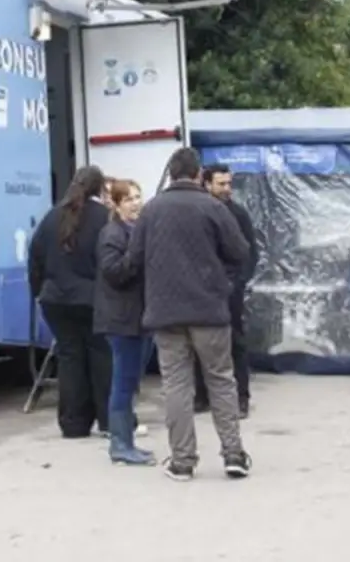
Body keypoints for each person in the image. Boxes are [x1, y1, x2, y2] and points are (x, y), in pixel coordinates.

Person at [127, 147, 252, 481]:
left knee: (177, 386)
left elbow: (133, 259)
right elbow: (240, 251)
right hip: (209, 310)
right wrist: (221, 280)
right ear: (198, 175)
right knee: (222, 380)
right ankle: (233, 455)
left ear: (170, 174)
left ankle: (182, 461)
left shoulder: (151, 210)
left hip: (166, 313)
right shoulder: (213, 207)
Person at [27, 165, 112, 438]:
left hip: (54, 300)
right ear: (100, 189)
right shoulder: (103, 217)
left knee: (69, 358)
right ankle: (110, 420)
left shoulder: (51, 216)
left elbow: (34, 256)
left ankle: (73, 423)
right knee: (101, 357)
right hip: (90, 298)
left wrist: (38, 291)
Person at [93, 179, 156, 465]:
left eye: (138, 197)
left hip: (139, 319)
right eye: (129, 199)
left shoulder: (134, 231)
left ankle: (127, 440)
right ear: (116, 204)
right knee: (123, 383)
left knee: (131, 383)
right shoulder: (112, 234)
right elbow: (114, 272)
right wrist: (136, 255)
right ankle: (119, 443)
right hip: (121, 321)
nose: (135, 203)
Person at [193, 164, 259, 418]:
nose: (226, 189)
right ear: (207, 184)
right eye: (221, 184)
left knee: (235, 342)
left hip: (229, 291)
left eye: (229, 183)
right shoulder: (197, 212)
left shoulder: (238, 215)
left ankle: (241, 398)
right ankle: (202, 396)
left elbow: (250, 253)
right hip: (200, 290)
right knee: (198, 343)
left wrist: (238, 283)